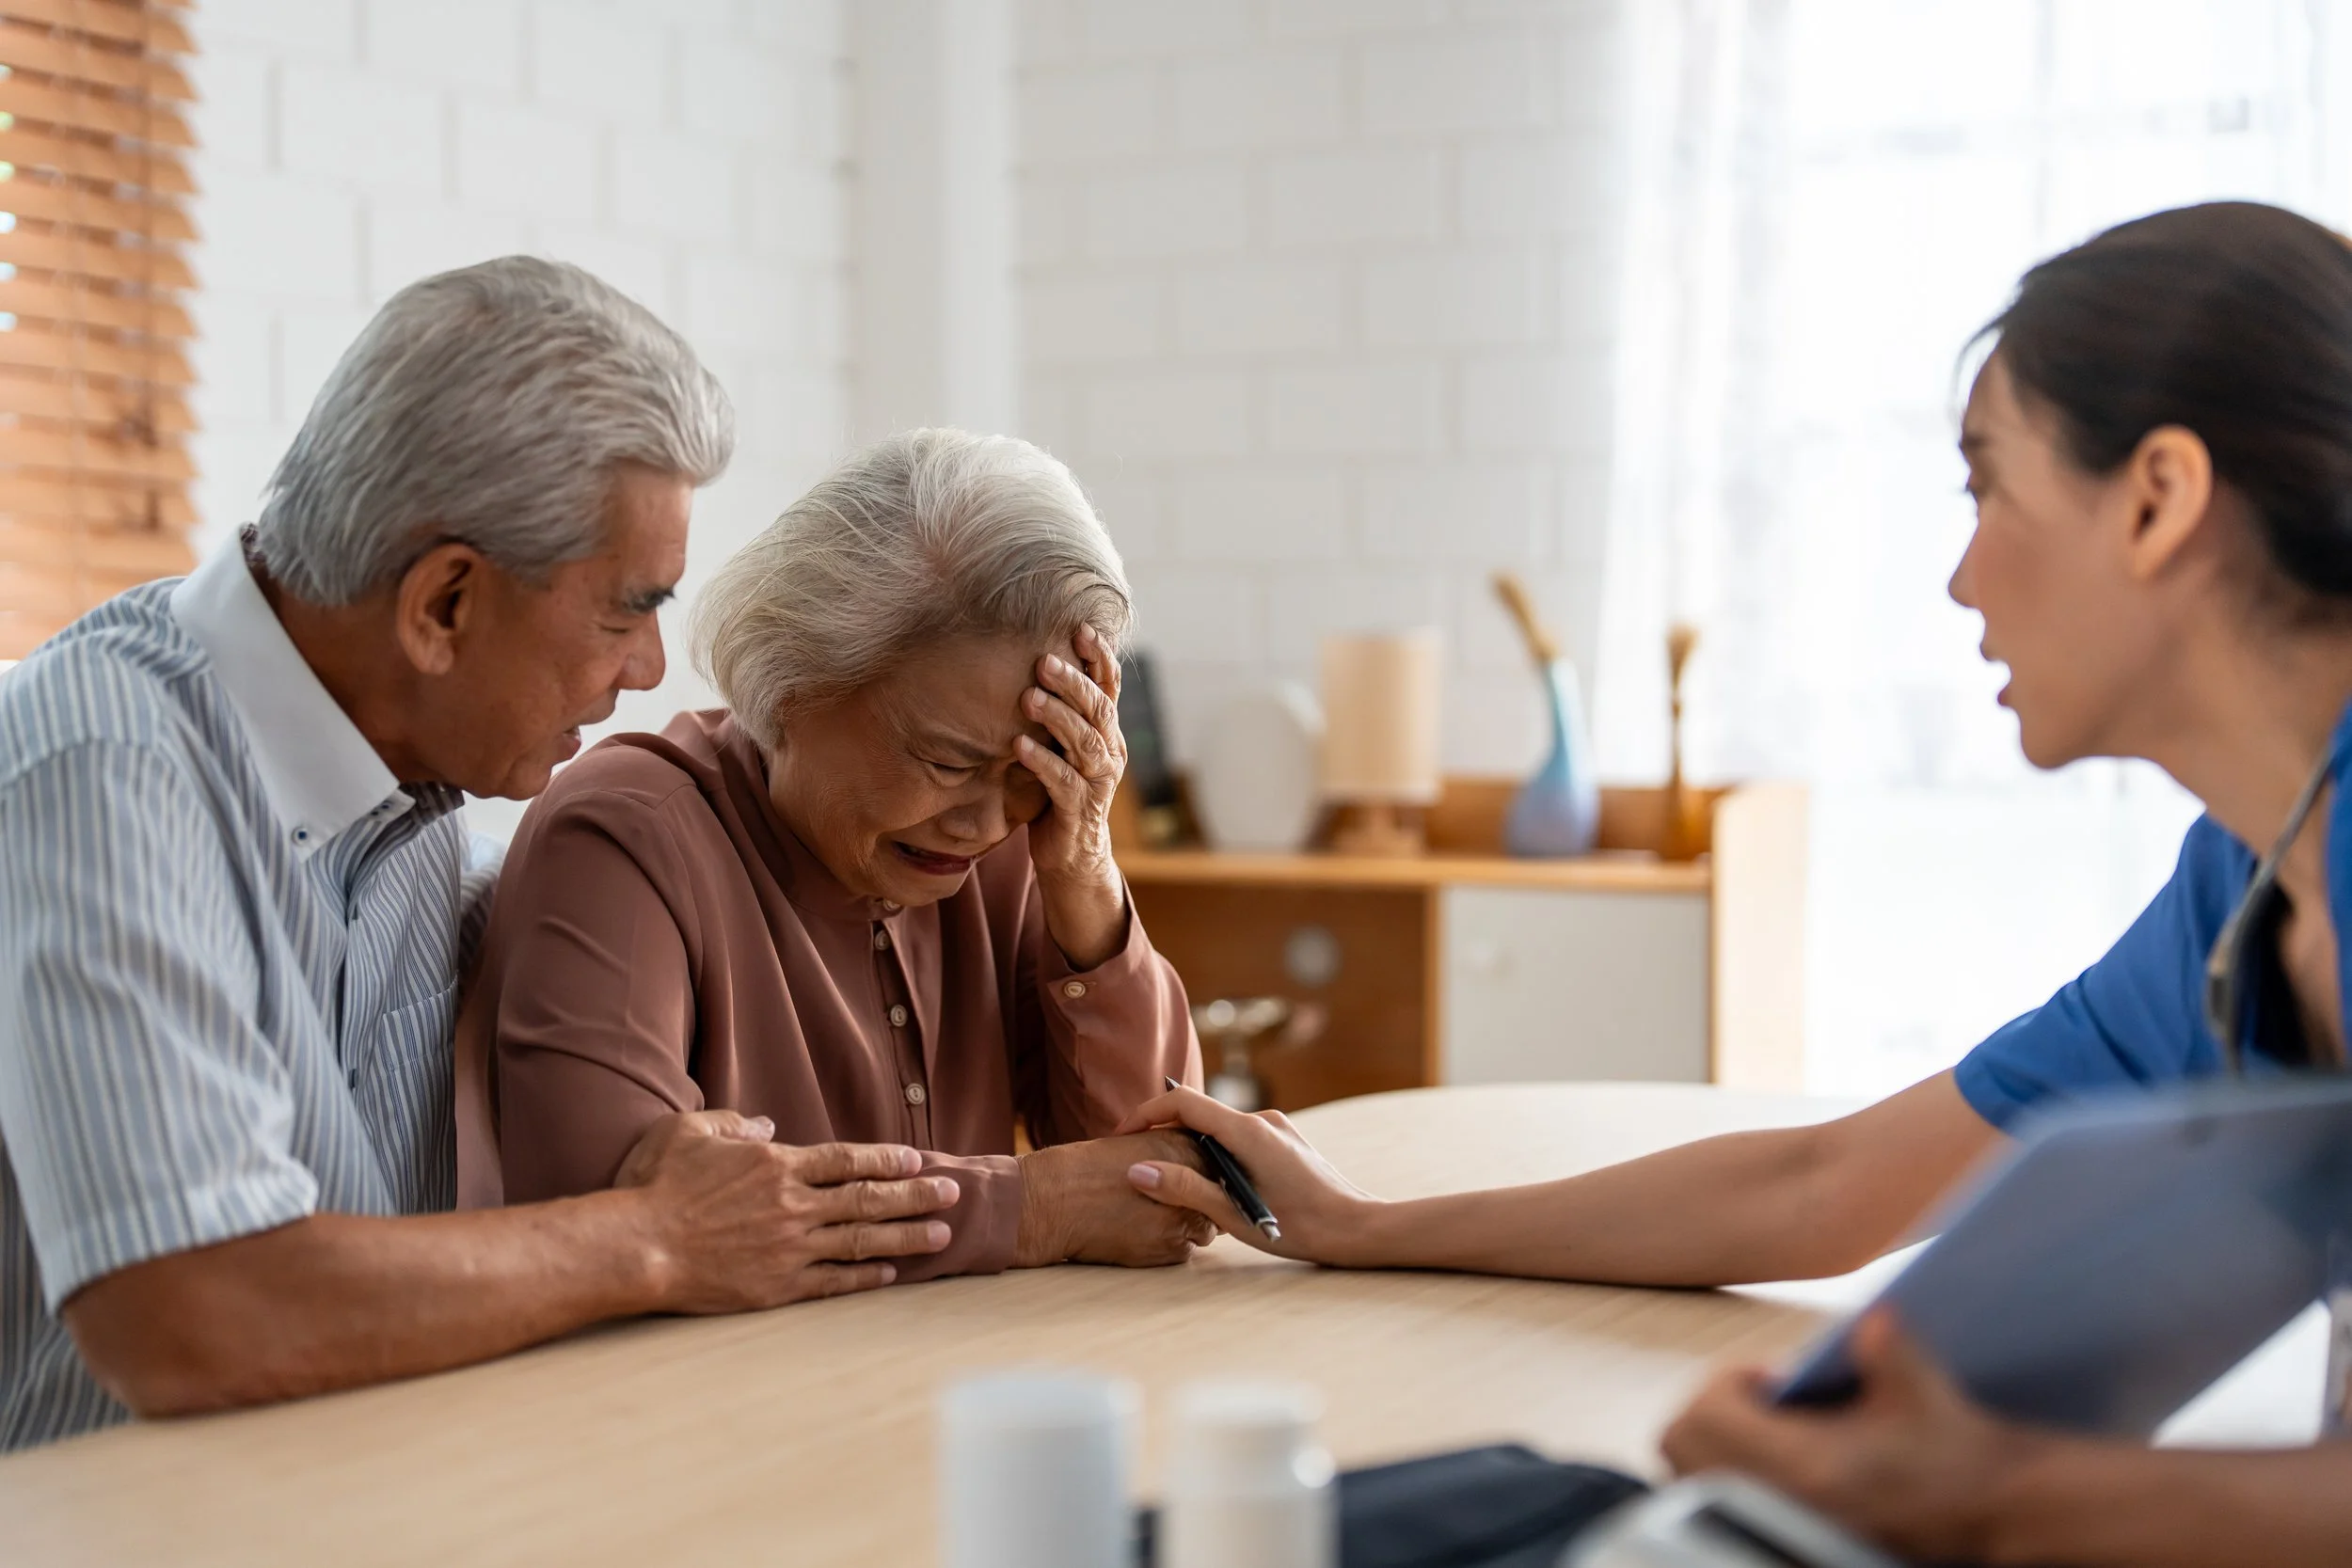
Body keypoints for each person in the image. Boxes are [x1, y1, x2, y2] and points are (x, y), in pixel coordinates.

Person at [1117, 200, 2352, 1562]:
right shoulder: (2244, 896)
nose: (1960, 575)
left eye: (1987, 486)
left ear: (2160, 497)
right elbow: (1825, 1181)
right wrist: (1367, 1223)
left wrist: (1993, 1493)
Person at [0, 259, 959, 1452]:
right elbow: (194, 1313)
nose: (649, 668)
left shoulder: (419, 775)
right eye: (624, 609)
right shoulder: (104, 764)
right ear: (443, 604)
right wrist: (659, 1234)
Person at [453, 428, 1211, 1277]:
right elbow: (624, 1235)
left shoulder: (1016, 844)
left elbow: (1153, 1183)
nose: (985, 823)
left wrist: (1085, 872)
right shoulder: (626, 838)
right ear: (796, 676)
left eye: (1035, 767)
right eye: (948, 762)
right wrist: (1032, 1208)